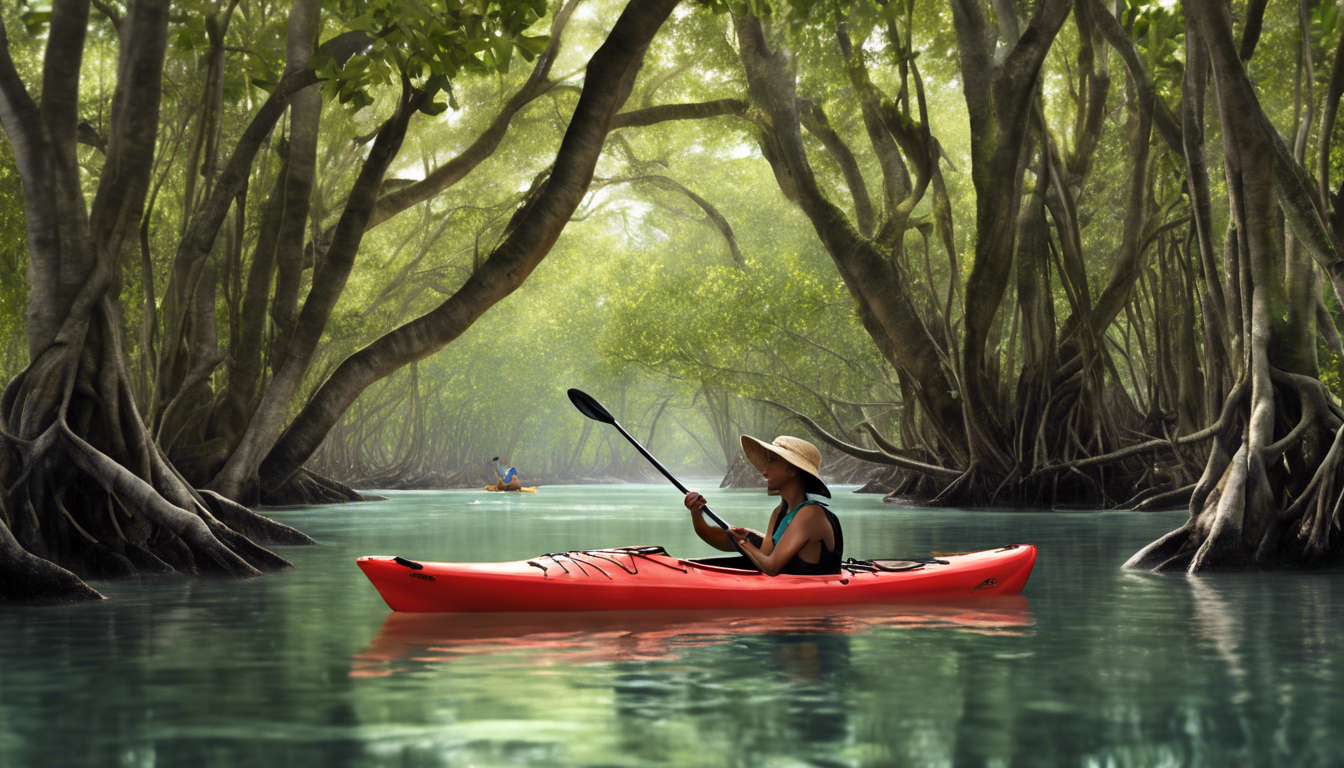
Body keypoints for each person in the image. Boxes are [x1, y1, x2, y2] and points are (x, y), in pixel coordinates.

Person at [683, 435, 842, 576]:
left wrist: (744, 542)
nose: (764, 469)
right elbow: (761, 557)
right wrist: (696, 512)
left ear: (792, 470)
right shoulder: (779, 512)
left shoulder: (811, 514)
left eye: (772, 460)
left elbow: (771, 567)